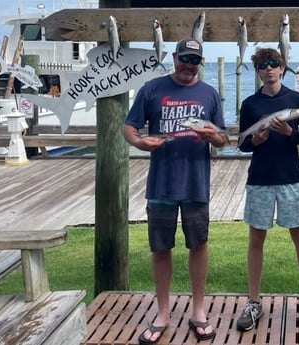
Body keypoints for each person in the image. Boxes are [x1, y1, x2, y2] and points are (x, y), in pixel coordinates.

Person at [123, 37, 228, 345]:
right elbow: (129, 126)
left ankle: (198, 311)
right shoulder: (152, 89)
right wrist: (139, 142)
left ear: (200, 63)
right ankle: (163, 313)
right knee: (160, 248)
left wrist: (212, 135)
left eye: (194, 60)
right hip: (161, 184)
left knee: (198, 245)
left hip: (196, 184)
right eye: (184, 58)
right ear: (174, 56)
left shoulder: (209, 94)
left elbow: (223, 138)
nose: (188, 65)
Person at [235, 47, 299, 331]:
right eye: (264, 65)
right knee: (255, 240)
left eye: (274, 64)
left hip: (290, 178)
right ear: (259, 71)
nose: (270, 69)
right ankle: (253, 301)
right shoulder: (250, 104)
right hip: (260, 179)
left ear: (283, 67)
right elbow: (242, 143)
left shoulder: (297, 100)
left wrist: (290, 134)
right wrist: (257, 141)